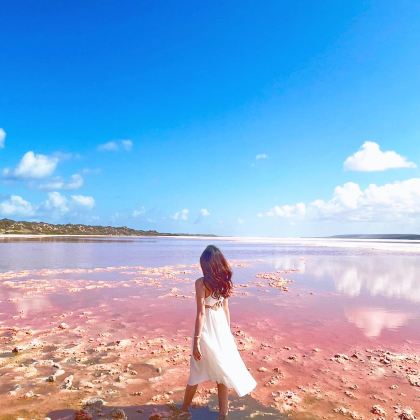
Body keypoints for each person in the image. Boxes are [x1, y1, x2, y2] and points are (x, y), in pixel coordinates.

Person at [181, 245, 257, 419]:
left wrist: (196, 341)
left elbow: (200, 313)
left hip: (207, 327)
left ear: (206, 265)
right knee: (222, 371)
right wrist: (228, 333)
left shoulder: (201, 283)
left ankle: (184, 409)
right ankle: (223, 415)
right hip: (221, 325)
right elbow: (225, 308)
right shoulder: (224, 281)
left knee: (196, 370)